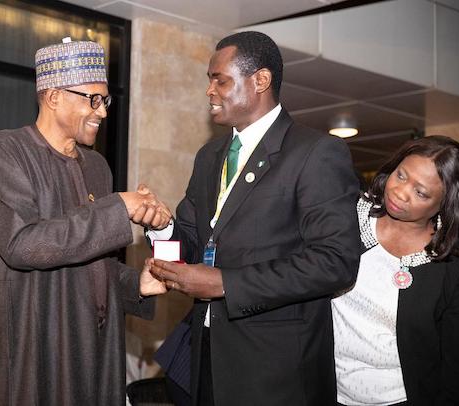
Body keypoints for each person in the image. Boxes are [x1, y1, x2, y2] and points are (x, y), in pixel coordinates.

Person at [148, 31, 361, 405]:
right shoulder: (209, 156)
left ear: (260, 80)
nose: (210, 91)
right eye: (209, 80)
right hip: (207, 356)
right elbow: (193, 243)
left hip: (275, 373)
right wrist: (160, 226)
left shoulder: (316, 152)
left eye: (220, 80)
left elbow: (335, 262)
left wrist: (226, 284)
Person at [0, 38, 170, 406]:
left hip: (95, 349)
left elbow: (93, 263)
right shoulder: (7, 151)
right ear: (54, 96)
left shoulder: (97, 166)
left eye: (105, 101)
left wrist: (135, 285)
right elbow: (23, 245)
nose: (102, 112)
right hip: (35, 346)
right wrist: (118, 207)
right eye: (92, 99)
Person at [332, 135, 459, 405]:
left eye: (421, 193)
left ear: (445, 203)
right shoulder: (347, 219)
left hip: (400, 399)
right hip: (326, 390)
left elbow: (453, 363)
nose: (401, 192)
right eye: (401, 175)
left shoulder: (450, 266)